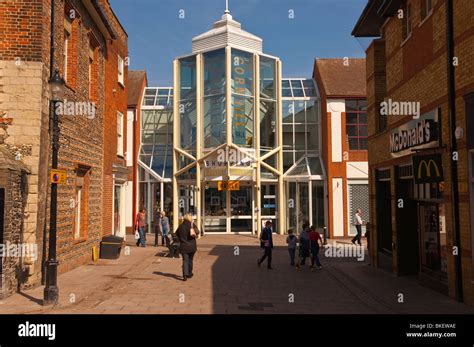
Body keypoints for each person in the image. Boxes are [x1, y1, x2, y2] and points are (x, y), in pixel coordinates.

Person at [176, 213, 198, 281]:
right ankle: (189, 273)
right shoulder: (192, 225)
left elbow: (176, 234)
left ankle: (185, 275)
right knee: (190, 260)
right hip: (192, 246)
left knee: (185, 260)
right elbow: (198, 232)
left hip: (183, 246)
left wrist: (181, 240)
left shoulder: (180, 226)